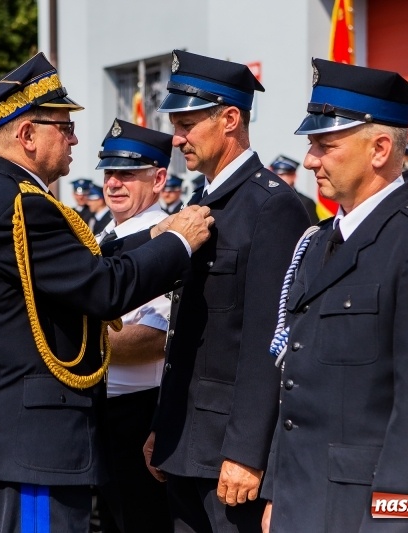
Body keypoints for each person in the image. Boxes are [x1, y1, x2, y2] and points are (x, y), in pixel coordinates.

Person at [0, 52, 213, 533]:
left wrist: (152, 236)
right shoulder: (20, 205)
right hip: (31, 444)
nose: (73, 138)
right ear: (27, 135)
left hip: (12, 437)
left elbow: (85, 264)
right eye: (63, 126)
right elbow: (102, 288)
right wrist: (179, 243)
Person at [260, 58, 408, 533]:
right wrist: (278, 492)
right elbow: (295, 383)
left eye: (325, 144)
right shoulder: (316, 242)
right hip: (301, 503)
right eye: (311, 145)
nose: (310, 160)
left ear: (380, 148)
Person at [145, 50, 310, 532]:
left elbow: (269, 343)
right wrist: (164, 423)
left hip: (229, 458)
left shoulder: (273, 207)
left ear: (231, 119)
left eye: (188, 124)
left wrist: (247, 452)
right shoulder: (202, 200)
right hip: (186, 442)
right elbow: (188, 332)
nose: (177, 139)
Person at [93, 119, 175, 533]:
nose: (114, 183)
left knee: (139, 520)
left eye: (128, 174)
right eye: (109, 172)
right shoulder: (104, 232)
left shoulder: (165, 239)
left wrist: (74, 339)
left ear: (159, 179)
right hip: (100, 408)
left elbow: (156, 338)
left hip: (138, 412)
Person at [269, 155, 319, 224]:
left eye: (283, 174)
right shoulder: (267, 200)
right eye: (276, 175)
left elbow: (313, 230)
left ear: (294, 176)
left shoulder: (305, 202)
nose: (279, 178)